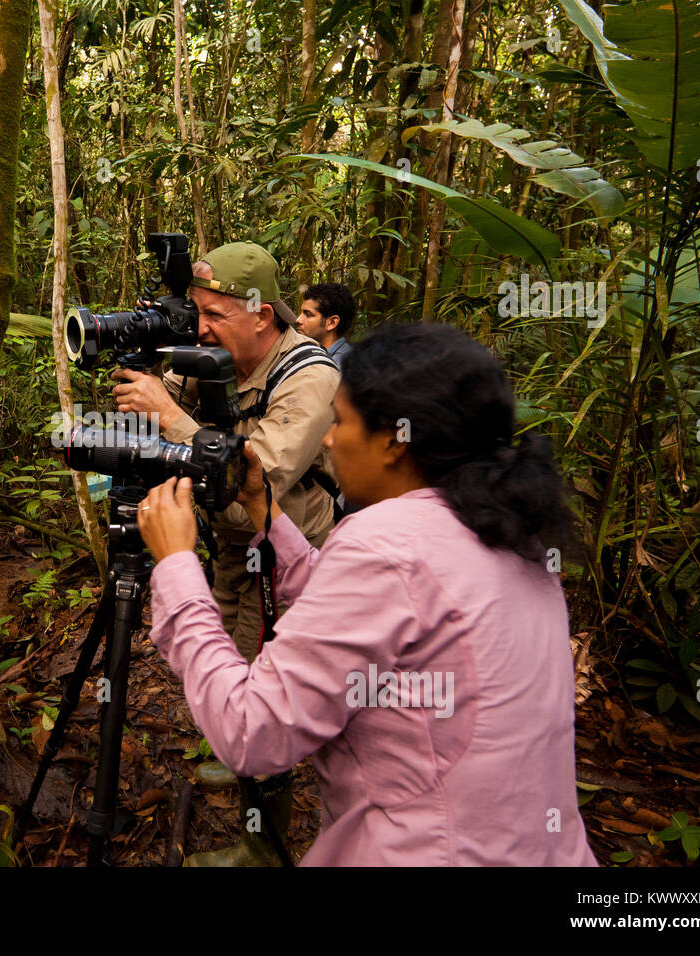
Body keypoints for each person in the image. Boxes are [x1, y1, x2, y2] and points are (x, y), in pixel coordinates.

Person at [137, 323, 598, 866]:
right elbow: (365, 625)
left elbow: (249, 731)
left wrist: (175, 566)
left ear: (393, 440)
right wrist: (265, 511)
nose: (329, 440)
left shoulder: (385, 542)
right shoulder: (511, 535)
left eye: (340, 421)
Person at [111, 240, 341, 865]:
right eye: (195, 314)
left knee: (270, 692)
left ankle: (262, 847)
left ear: (262, 315)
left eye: (213, 315)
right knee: (238, 655)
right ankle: (248, 778)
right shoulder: (210, 352)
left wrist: (170, 416)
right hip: (233, 545)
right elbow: (170, 412)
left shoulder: (310, 375)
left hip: (292, 555)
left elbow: (259, 472)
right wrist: (143, 394)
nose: (199, 328)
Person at [295, 282, 356, 372]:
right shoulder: (318, 355)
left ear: (332, 322)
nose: (298, 320)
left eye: (308, 314)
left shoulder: (338, 367)